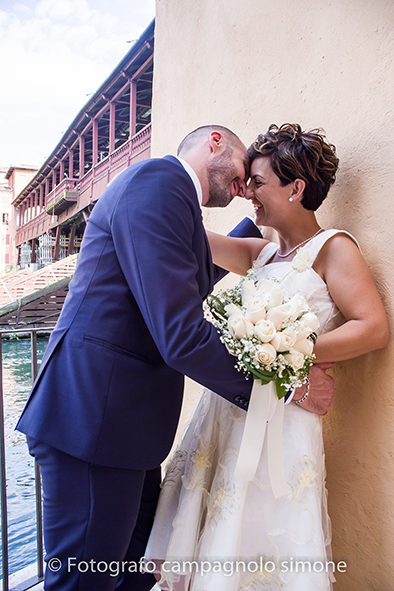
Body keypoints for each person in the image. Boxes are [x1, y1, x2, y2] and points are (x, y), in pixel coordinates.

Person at [16, 124, 333, 591]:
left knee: (132, 576)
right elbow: (180, 334)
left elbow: (183, 283)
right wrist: (282, 387)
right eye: (246, 170)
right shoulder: (160, 182)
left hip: (122, 429)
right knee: (84, 582)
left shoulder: (168, 196)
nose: (246, 185)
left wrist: (265, 225)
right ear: (216, 143)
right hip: (91, 423)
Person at [144, 124, 389, 591]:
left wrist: (284, 353)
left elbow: (373, 327)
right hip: (227, 410)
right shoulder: (261, 253)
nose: (248, 195)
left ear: (296, 188)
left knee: (258, 532)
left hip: (282, 418)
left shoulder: (334, 249)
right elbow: (187, 230)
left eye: (257, 183)